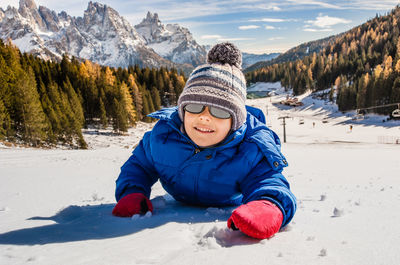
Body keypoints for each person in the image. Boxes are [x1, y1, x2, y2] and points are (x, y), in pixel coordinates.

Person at [112, 42, 296, 240]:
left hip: (229, 204)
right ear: (182, 111)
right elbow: (139, 165)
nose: (204, 117)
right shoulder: (163, 137)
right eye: (195, 107)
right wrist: (132, 192)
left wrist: (267, 206)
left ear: (235, 121)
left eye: (219, 110)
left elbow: (268, 181)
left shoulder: (250, 148)